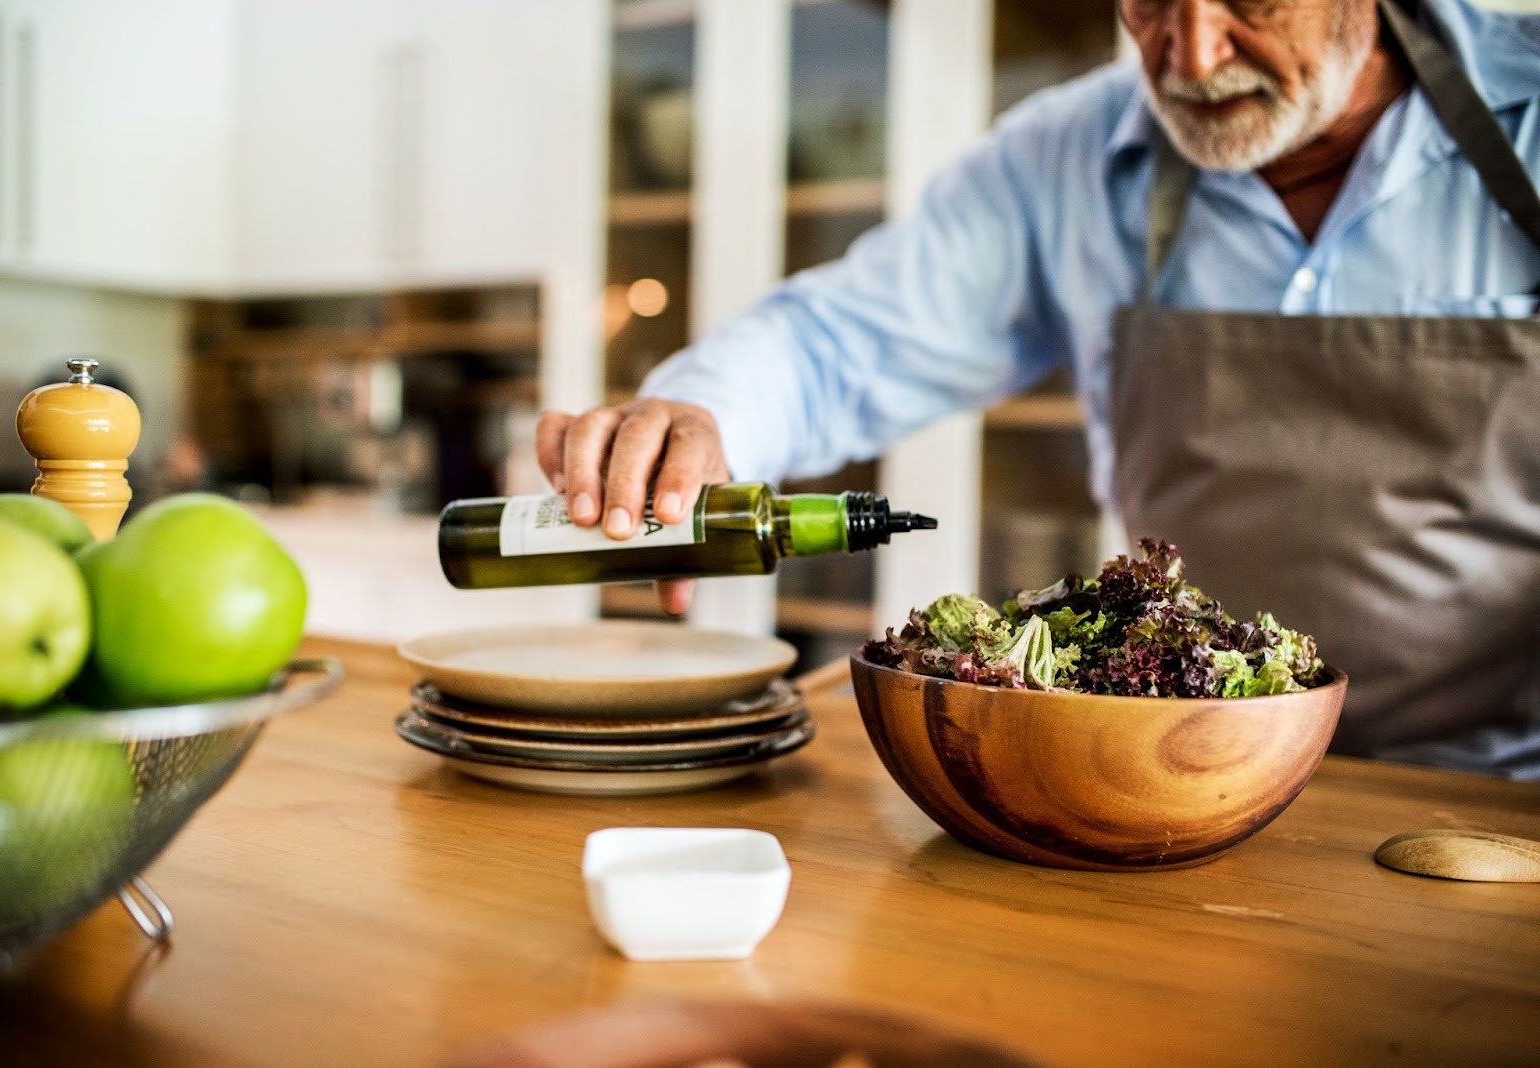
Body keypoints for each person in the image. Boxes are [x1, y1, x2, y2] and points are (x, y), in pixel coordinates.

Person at [535, 0, 1540, 779]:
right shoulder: (1066, 156)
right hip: (1166, 774)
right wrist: (703, 417)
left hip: (1493, 802)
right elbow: (840, 341)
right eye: (1147, 2)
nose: (1190, 57)